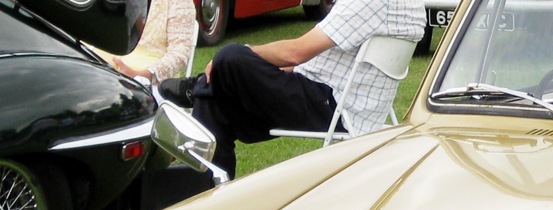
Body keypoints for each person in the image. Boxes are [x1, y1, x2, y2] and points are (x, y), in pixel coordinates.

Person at [162, 0, 425, 178]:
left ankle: (195, 89)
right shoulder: (412, 7)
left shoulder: (371, 3)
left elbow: (298, 52)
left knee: (230, 56)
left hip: (333, 107)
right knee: (215, 100)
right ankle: (212, 193)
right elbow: (308, 61)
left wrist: (243, 53)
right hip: (342, 103)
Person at [90, 0, 196, 82]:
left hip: (146, 76)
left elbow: (180, 53)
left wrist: (142, 76)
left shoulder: (180, 2)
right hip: (100, 64)